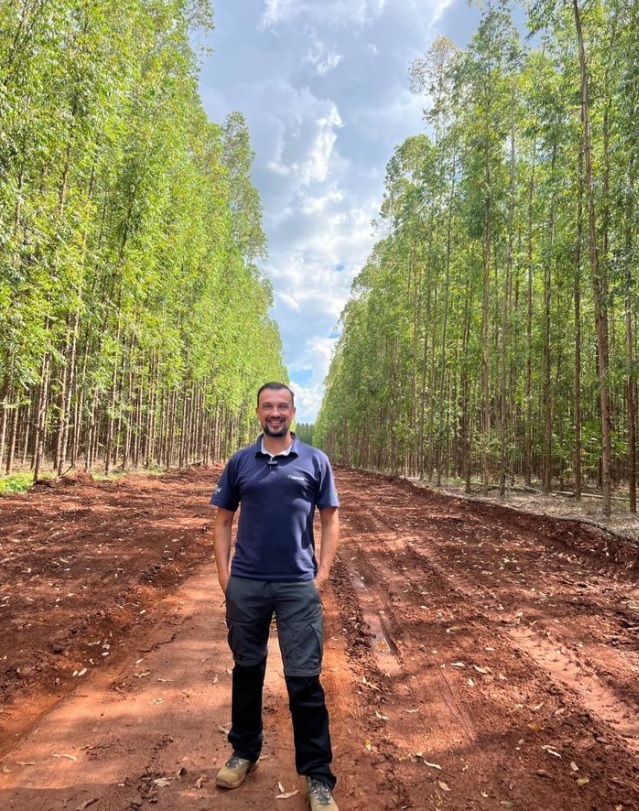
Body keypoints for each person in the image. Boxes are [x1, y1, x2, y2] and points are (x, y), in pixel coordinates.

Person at [210, 381, 340, 811]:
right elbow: (222, 521)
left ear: (293, 411)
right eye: (268, 406)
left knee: (304, 681)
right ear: (258, 412)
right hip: (247, 583)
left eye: (282, 405)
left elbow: (330, 519)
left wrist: (320, 575)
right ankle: (244, 752)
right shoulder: (240, 462)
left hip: (297, 586)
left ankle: (317, 776)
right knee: (247, 672)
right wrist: (226, 578)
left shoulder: (315, 461)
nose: (275, 412)